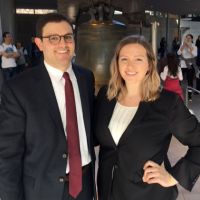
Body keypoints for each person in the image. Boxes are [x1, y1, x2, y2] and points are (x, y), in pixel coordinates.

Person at [0, 13, 96, 200]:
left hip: (84, 186)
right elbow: (8, 156)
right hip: (42, 190)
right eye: (53, 38)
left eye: (68, 37)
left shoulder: (86, 78)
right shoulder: (18, 88)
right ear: (39, 43)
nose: (63, 44)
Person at [94, 35, 200, 200]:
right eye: (124, 59)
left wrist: (173, 177)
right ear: (116, 63)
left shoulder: (167, 103)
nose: (130, 65)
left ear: (149, 65)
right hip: (109, 191)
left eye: (138, 59)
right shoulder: (106, 96)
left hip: (148, 193)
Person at [177, 34, 197, 101]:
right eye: (187, 38)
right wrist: (183, 46)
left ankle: (189, 96)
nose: (188, 39)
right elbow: (178, 53)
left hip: (190, 65)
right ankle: (178, 94)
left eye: (189, 38)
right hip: (182, 65)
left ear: (192, 39)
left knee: (190, 81)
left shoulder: (194, 46)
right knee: (179, 80)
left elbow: (194, 55)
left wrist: (189, 47)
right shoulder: (182, 45)